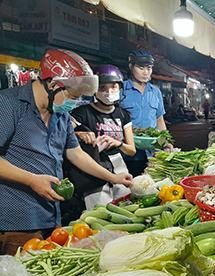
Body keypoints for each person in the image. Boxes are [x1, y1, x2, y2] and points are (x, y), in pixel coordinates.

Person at [0, 49, 132, 255]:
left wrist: (113, 177)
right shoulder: (8, 104)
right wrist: (31, 180)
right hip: (16, 221)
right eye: (74, 96)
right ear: (53, 85)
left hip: (52, 216)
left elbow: (76, 153)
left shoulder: (60, 113)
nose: (76, 102)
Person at [67, 64, 136, 211]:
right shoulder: (81, 113)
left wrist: (118, 143)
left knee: (124, 209)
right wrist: (79, 134)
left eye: (113, 87)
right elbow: (61, 135)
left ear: (120, 88)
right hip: (93, 168)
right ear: (94, 90)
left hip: (119, 166)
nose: (108, 91)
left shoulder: (123, 115)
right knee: (100, 212)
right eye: (102, 87)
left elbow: (131, 150)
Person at [120, 50, 170, 176]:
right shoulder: (121, 89)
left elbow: (159, 120)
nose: (145, 72)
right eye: (141, 67)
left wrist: (166, 142)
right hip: (127, 154)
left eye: (149, 68)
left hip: (152, 154)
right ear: (131, 67)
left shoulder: (155, 92)